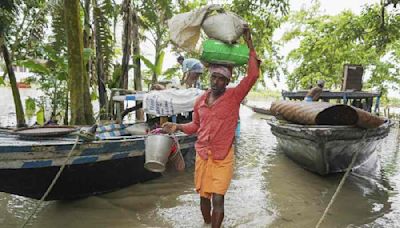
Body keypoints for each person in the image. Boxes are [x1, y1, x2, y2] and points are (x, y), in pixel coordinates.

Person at [163, 25, 259, 228]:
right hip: (203, 156)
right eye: (214, 77)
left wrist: (249, 43)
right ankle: (207, 224)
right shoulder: (199, 101)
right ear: (210, 77)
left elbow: (252, 76)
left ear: (227, 82)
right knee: (203, 198)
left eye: (221, 79)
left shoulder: (234, 96)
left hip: (223, 157)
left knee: (218, 199)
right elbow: (195, 126)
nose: (216, 81)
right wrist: (178, 127)